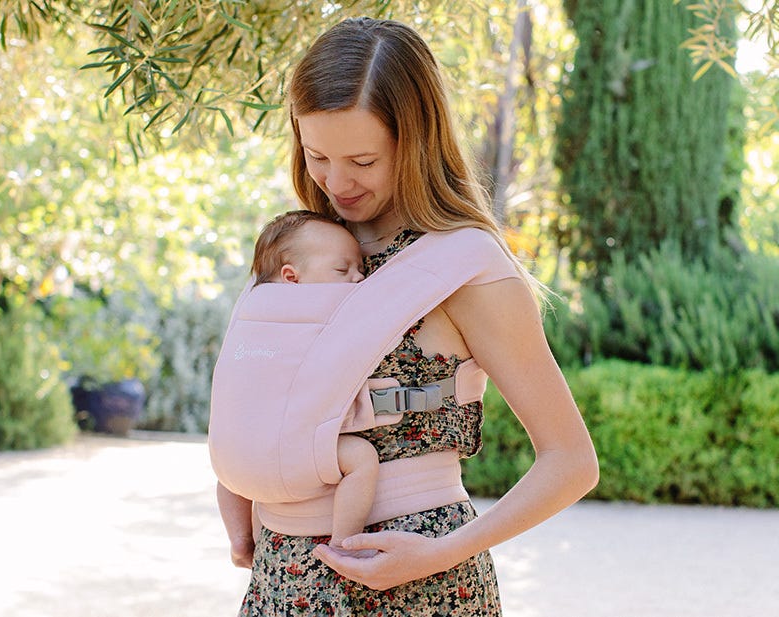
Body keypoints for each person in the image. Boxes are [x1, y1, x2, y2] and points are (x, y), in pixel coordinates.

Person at [230, 17, 599, 615]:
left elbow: (572, 463)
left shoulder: (465, 267)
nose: (336, 181)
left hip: (421, 583)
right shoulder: (302, 251)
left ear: (416, 141)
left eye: (363, 160)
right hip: (285, 577)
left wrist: (440, 554)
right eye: (317, 154)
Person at [216, 209, 380, 568]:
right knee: (362, 459)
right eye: (343, 270)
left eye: (361, 270)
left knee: (228, 471)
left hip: (236, 457)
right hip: (295, 453)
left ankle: (241, 541)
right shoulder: (329, 309)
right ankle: (344, 543)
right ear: (292, 277)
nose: (358, 280)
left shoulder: (247, 311)